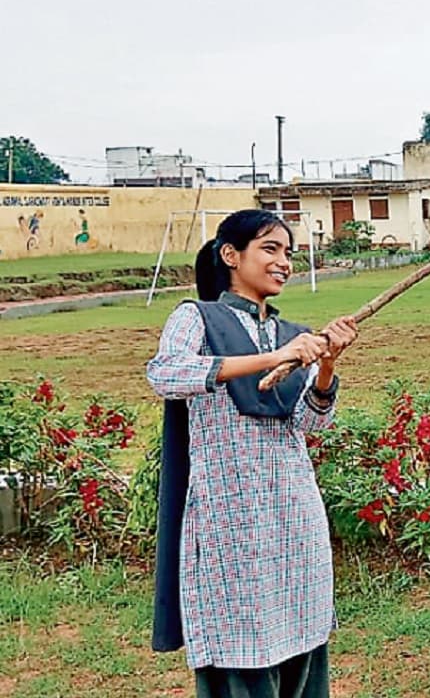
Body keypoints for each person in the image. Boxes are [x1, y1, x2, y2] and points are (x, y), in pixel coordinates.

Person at [147, 208, 358, 697]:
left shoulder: (294, 334)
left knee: (301, 631)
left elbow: (310, 421)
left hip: (292, 511)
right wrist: (274, 358)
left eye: (288, 252)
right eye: (270, 249)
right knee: (238, 635)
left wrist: (325, 365)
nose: (284, 262)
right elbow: (166, 375)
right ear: (230, 255)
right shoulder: (195, 318)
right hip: (228, 516)